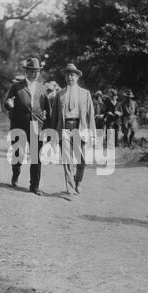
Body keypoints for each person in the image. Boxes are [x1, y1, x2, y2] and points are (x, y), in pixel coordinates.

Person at [5, 58, 50, 195]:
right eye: (32, 71)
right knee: (18, 152)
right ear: (27, 71)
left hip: (36, 124)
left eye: (37, 71)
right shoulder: (17, 86)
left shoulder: (43, 88)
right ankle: (16, 173)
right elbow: (8, 101)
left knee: (36, 156)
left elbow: (47, 108)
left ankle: (34, 186)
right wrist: (10, 105)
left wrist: (48, 127)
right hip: (18, 122)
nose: (34, 73)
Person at [52, 63, 96, 197]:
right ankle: (70, 188)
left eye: (72, 74)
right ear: (65, 77)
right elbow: (54, 115)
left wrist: (92, 133)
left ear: (77, 77)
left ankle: (79, 181)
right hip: (65, 128)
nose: (70, 77)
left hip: (79, 128)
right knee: (67, 160)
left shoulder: (85, 94)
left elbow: (90, 114)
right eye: (67, 75)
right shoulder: (60, 94)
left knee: (81, 159)